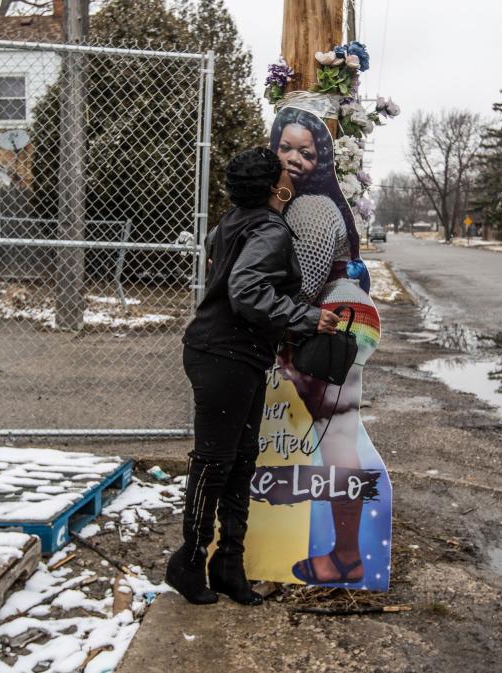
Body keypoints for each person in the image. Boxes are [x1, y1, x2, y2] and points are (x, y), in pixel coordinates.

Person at [167, 147, 340, 605]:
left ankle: (229, 564)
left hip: (229, 354)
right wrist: (304, 317)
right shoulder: (267, 228)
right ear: (273, 187)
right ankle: (188, 562)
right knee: (214, 461)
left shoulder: (232, 222)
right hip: (224, 356)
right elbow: (245, 291)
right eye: (283, 172)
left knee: (242, 459)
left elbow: (226, 269)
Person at [269, 106, 382, 585]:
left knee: (337, 433)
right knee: (338, 432)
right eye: (285, 147)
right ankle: (346, 555)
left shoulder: (312, 208)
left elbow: (306, 286)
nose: (294, 158)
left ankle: (347, 557)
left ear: (323, 160)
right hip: (334, 322)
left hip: (332, 325)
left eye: (307, 152)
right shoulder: (298, 200)